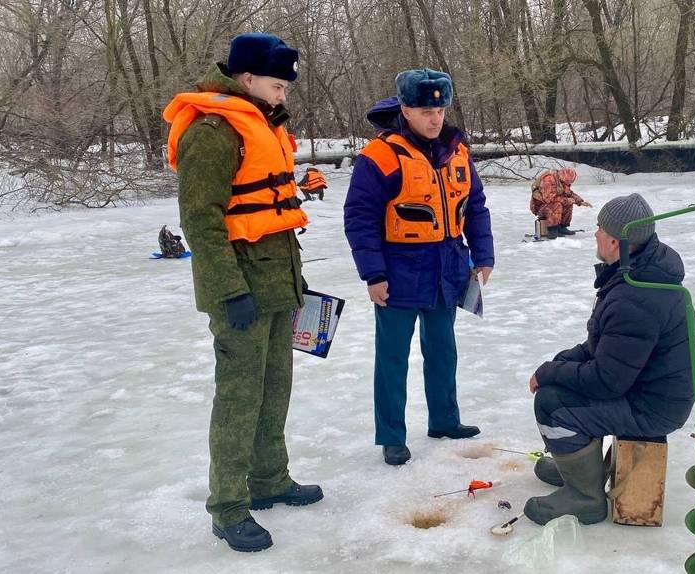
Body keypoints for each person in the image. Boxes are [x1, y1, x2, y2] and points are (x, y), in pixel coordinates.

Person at [162, 33, 322, 553]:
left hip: (277, 281)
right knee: (238, 397)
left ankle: (270, 479)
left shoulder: (264, 124)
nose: (283, 97)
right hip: (240, 290)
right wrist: (228, 291)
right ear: (247, 79)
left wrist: (295, 284)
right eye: (278, 86)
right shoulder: (211, 133)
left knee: (275, 388)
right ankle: (228, 507)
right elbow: (201, 222)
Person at [344, 68, 495, 466]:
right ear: (406, 110)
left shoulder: (457, 150)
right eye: (426, 110)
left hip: (448, 265)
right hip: (398, 270)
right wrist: (372, 274)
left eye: (441, 109)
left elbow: (474, 205)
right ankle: (392, 435)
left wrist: (483, 255)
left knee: (443, 349)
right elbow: (359, 217)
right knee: (392, 356)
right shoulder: (379, 157)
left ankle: (445, 419)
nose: (435, 119)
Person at [524, 193, 695, 525]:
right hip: (646, 392)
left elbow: (607, 381)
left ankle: (585, 496)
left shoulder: (636, 295)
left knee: (551, 403)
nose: (595, 234)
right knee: (561, 381)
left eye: (600, 228)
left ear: (616, 242)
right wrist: (560, 362)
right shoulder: (639, 274)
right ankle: (577, 468)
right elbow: (603, 347)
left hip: (652, 408)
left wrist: (550, 375)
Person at [529, 167, 593, 237]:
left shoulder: (561, 180)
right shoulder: (548, 179)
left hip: (552, 203)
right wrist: (566, 200)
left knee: (569, 202)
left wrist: (580, 201)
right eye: (567, 182)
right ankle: (552, 230)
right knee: (558, 204)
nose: (567, 184)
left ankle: (562, 227)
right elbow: (548, 198)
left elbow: (568, 193)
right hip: (541, 206)